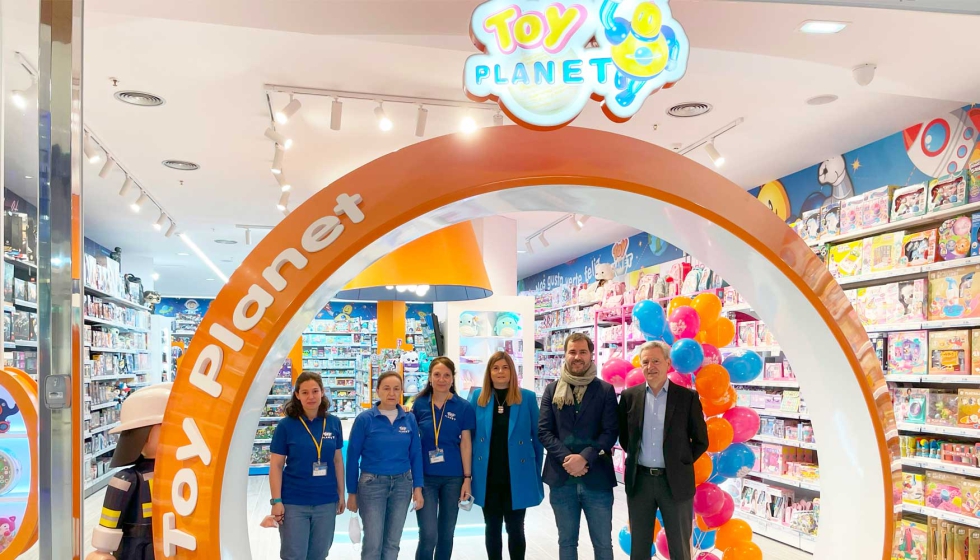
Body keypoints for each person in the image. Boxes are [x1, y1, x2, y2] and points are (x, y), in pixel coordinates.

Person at [618, 341, 709, 560]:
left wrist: (680, 462)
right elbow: (625, 438)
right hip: (640, 482)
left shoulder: (687, 398)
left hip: (675, 482)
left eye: (656, 361)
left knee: (679, 547)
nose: (651, 366)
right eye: (645, 362)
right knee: (639, 547)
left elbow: (700, 440)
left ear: (668, 363)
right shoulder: (630, 397)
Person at [538, 333, 619, 560]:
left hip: (597, 479)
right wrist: (568, 459)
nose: (577, 357)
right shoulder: (552, 390)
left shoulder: (604, 390)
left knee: (603, 544)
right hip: (562, 480)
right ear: (565, 355)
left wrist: (584, 457)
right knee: (566, 542)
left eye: (582, 352)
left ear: (591, 355)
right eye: (572, 352)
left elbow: (610, 431)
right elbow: (544, 431)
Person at [469, 351, 544, 560]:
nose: (500, 372)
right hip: (488, 475)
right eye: (495, 368)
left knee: (516, 527)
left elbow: (537, 439)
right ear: (489, 373)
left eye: (505, 367)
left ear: (512, 371)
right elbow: (470, 437)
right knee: (491, 526)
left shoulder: (526, 397)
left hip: (517, 474)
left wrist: (535, 472)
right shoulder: (478, 397)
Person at [87, 383, 172, 560]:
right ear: (145, 434)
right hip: (136, 547)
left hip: (169, 542)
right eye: (168, 427)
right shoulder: (126, 480)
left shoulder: (176, 473)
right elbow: (111, 517)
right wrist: (102, 550)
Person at [347, 371, 425, 560]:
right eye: (387, 388)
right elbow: (351, 458)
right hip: (372, 484)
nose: (392, 393)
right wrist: (352, 493)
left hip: (402, 485)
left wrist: (418, 488)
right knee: (373, 543)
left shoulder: (409, 419)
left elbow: (415, 454)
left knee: (392, 543)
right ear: (377, 391)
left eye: (396, 389)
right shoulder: (365, 419)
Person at [268, 372, 345, 560]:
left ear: (322, 392)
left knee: (319, 554)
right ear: (297, 395)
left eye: (315, 391)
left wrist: (341, 494)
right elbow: (276, 466)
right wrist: (276, 501)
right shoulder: (286, 426)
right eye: (305, 392)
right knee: (294, 555)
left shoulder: (333, 423)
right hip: (294, 502)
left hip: (326, 501)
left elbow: (337, 461)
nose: (311, 397)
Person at [411, 357, 477, 560]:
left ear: (452, 379)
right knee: (429, 534)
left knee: (446, 534)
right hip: (426, 478)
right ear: (430, 378)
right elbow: (412, 443)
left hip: (453, 478)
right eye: (437, 375)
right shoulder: (419, 405)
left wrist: (467, 478)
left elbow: (466, 444)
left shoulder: (463, 407)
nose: (441, 379)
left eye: (446, 375)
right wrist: (415, 483)